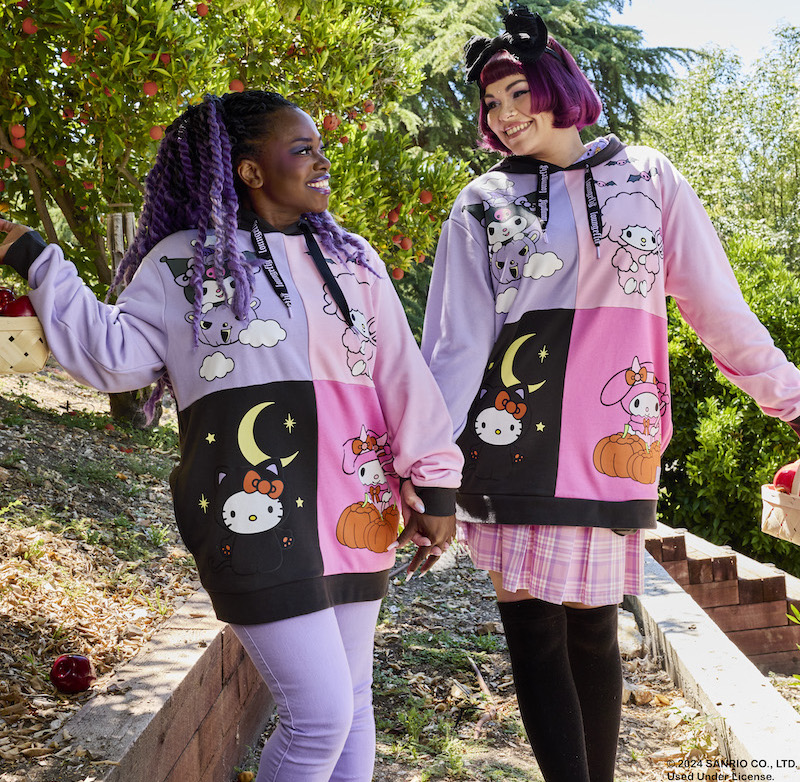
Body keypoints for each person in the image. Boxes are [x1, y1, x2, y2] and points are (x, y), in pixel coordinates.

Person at [0, 90, 462, 782]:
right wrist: (35, 257)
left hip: (358, 509)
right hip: (253, 517)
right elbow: (111, 355)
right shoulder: (182, 264)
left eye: (317, 146)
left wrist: (435, 487)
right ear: (249, 170)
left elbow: (402, 376)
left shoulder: (354, 259)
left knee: (354, 709)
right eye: (301, 149)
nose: (321, 160)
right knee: (319, 720)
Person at [420, 9, 800, 782]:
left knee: (594, 627)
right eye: (491, 103)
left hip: (610, 442)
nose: (505, 115)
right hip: (508, 436)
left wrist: (790, 399)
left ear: (559, 85)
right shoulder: (480, 202)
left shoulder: (648, 176)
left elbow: (715, 305)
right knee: (530, 631)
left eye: (518, 91)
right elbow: (455, 343)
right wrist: (428, 462)